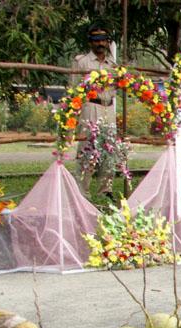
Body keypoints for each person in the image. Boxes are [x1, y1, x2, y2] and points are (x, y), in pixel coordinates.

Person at [70, 21, 117, 198]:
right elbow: (74, 90)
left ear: (107, 41)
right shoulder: (82, 62)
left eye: (103, 39)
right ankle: (82, 193)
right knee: (87, 150)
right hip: (90, 107)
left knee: (109, 150)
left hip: (109, 107)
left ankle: (106, 191)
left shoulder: (112, 64)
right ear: (90, 41)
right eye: (96, 39)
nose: (100, 43)